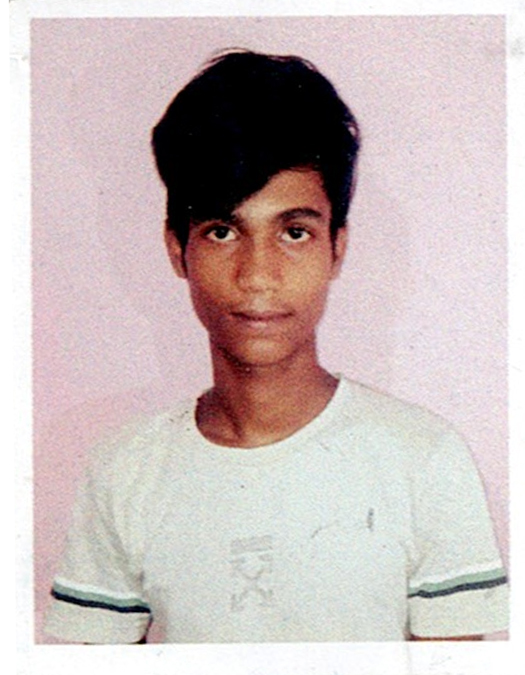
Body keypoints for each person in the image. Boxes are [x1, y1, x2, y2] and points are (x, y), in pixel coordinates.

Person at [44, 50, 508, 644]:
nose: (258, 276)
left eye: (294, 232)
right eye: (222, 231)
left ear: (336, 248)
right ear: (177, 249)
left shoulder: (423, 458)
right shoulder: (124, 469)